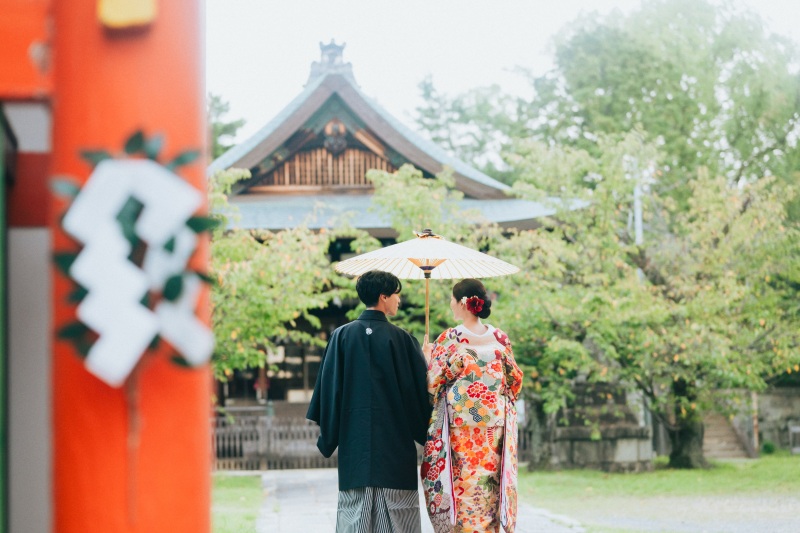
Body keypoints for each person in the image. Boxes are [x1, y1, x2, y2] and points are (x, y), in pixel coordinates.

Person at [307, 270, 431, 533]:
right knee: (400, 520)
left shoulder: (340, 337)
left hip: (356, 446)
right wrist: (426, 362)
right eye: (396, 294)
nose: (399, 300)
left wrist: (329, 437)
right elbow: (417, 395)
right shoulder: (403, 339)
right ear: (383, 296)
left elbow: (330, 392)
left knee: (355, 519)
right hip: (395, 448)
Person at [421, 278, 523, 533]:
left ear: (463, 303)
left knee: (463, 488)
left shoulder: (449, 338)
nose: (451, 305)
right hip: (493, 429)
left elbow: (433, 385)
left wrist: (427, 358)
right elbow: (514, 381)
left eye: (452, 300)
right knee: (490, 488)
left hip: (461, 430)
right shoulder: (500, 338)